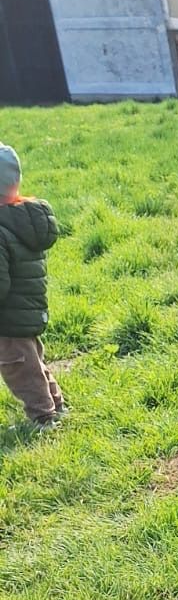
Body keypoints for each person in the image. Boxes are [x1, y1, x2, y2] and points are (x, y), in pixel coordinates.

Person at [0, 144, 65, 428]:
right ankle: (57, 405)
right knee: (32, 364)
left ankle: (44, 418)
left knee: (20, 370)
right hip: (27, 311)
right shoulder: (23, 219)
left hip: (8, 318)